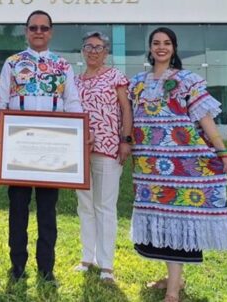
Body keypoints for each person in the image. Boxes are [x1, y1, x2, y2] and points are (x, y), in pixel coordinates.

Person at [128, 27, 227, 302]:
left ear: (174, 48)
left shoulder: (188, 81)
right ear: (150, 48)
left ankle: (174, 291)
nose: (161, 47)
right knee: (163, 222)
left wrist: (221, 150)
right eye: (156, 43)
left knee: (178, 218)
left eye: (167, 43)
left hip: (184, 164)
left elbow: (205, 119)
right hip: (149, 166)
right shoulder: (137, 83)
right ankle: (171, 277)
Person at [0, 10, 84, 284]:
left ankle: (47, 268)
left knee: (47, 211)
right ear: (26, 31)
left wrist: (80, 133)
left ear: (51, 32)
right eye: (33, 28)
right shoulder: (12, 63)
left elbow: (72, 102)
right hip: (18, 148)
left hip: (52, 149)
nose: (38, 32)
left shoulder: (62, 64)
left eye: (44, 28)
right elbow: (3, 101)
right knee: (18, 210)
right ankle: (17, 266)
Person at [73, 31, 133, 284]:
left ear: (106, 51)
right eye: (89, 47)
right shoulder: (75, 81)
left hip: (108, 149)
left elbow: (125, 110)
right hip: (78, 151)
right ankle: (88, 258)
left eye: (99, 47)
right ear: (83, 51)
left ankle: (106, 265)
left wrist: (126, 140)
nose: (93, 51)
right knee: (85, 206)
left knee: (105, 206)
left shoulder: (116, 76)